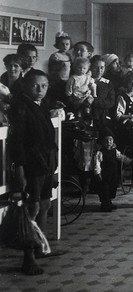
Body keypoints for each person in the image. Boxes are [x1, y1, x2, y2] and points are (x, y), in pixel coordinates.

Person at [8, 70, 61, 275]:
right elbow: (17, 141)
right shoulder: (20, 107)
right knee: (32, 208)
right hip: (31, 165)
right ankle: (28, 258)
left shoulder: (41, 106)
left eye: (44, 86)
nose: (40, 90)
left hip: (45, 164)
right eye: (35, 86)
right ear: (24, 86)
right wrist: (19, 168)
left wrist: (53, 160)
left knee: (46, 203)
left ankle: (41, 247)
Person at [93, 127, 131, 212]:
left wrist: (129, 161)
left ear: (113, 141)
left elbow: (121, 157)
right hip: (104, 175)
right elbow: (97, 164)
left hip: (113, 174)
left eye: (110, 140)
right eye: (106, 140)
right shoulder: (100, 152)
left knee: (112, 189)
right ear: (102, 142)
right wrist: (97, 173)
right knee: (104, 190)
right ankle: (104, 205)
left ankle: (109, 202)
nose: (108, 142)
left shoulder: (115, 151)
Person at [89, 55, 116, 129]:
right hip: (87, 114)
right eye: (96, 67)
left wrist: (95, 100)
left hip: (102, 116)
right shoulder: (86, 81)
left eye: (102, 68)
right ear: (90, 67)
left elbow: (110, 102)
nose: (99, 70)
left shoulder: (108, 83)